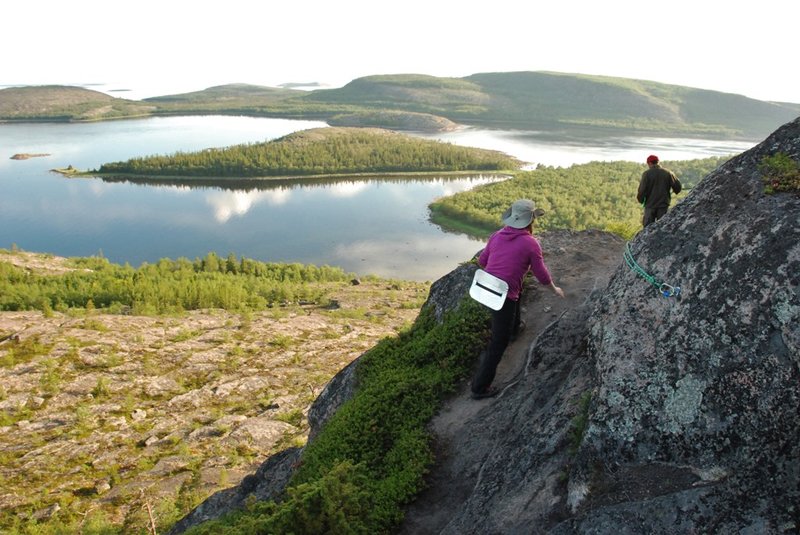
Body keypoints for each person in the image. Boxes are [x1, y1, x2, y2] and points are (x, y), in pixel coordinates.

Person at [470, 199, 564, 400]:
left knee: (516, 292)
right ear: (531, 221)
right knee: (498, 341)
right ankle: (479, 387)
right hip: (502, 296)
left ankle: (514, 329)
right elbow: (541, 274)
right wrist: (554, 289)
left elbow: (482, 261)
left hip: (484, 287)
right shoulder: (530, 243)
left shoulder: (496, 236)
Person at [637, 154, 682, 227]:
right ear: (658, 162)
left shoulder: (646, 174)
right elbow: (678, 187)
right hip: (663, 205)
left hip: (650, 206)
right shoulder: (668, 173)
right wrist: (674, 191)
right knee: (663, 227)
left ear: (650, 163)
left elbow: (642, 190)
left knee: (647, 229)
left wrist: (641, 200)